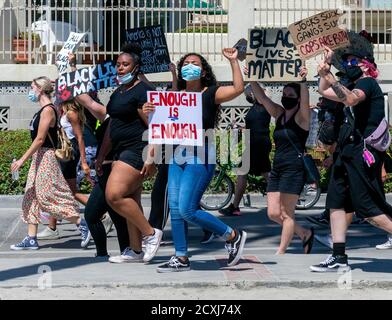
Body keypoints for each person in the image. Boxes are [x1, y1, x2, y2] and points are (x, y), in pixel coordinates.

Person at [143, 48, 247, 272]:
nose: (190, 65)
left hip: (200, 154)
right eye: (186, 63)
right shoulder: (175, 96)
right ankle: (181, 257)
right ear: (181, 71)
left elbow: (239, 89)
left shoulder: (211, 93)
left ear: (203, 71)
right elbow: (159, 124)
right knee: (176, 210)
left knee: (188, 209)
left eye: (195, 63)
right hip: (176, 155)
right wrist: (148, 110)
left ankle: (232, 235)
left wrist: (233, 61)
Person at [310, 46, 392, 272]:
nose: (348, 65)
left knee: (369, 209)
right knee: (337, 203)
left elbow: (351, 100)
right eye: (345, 61)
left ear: (366, 64)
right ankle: (338, 256)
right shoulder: (352, 85)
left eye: (353, 61)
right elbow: (324, 91)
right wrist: (325, 69)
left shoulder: (367, 83)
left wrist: (328, 76)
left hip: (361, 153)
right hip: (346, 152)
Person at [95, 42, 162, 263]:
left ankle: (151, 234)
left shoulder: (143, 92)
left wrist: (152, 157)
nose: (120, 68)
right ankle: (135, 250)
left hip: (137, 151)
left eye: (126, 64)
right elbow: (111, 126)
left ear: (136, 67)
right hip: (120, 152)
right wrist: (102, 155)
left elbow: (155, 126)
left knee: (114, 195)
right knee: (131, 199)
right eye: (118, 64)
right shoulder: (118, 92)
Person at [10, 76, 89, 250]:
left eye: (32, 87)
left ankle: (81, 223)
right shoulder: (42, 110)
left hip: (46, 156)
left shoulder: (48, 110)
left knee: (48, 196)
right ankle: (31, 238)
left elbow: (40, 139)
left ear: (40, 89)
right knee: (31, 195)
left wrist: (22, 160)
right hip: (39, 156)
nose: (30, 91)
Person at [251, 67, 315, 255]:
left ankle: (281, 252)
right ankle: (304, 233)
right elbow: (262, 98)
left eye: (290, 94)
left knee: (287, 214)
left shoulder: (303, 118)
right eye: (284, 93)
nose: (285, 96)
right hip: (277, 167)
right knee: (272, 213)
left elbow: (306, 101)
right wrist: (251, 77)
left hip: (294, 168)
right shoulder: (279, 114)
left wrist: (303, 82)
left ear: (297, 98)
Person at [37, 99, 92, 246]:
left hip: (68, 154)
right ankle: (52, 227)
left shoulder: (71, 113)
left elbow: (80, 137)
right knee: (70, 190)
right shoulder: (65, 111)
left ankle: (100, 213)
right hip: (67, 153)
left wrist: (84, 161)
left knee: (60, 190)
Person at [219, 79, 272, 217]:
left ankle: (235, 207)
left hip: (258, 144)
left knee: (244, 173)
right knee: (266, 173)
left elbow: (259, 94)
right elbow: (254, 126)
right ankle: (281, 200)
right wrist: (239, 127)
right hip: (256, 142)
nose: (246, 95)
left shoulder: (263, 102)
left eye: (248, 92)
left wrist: (251, 78)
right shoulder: (256, 106)